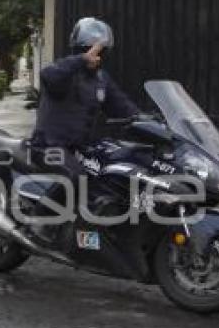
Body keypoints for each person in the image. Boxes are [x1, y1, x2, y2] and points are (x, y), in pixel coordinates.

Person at [29, 17, 140, 244]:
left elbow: (122, 106)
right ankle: (39, 220)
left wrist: (148, 122)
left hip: (80, 147)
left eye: (100, 51)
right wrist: (80, 60)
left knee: (112, 173)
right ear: (79, 49)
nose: (95, 55)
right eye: (89, 50)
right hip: (49, 145)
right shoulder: (64, 73)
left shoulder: (101, 80)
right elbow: (48, 75)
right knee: (77, 177)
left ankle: (94, 229)